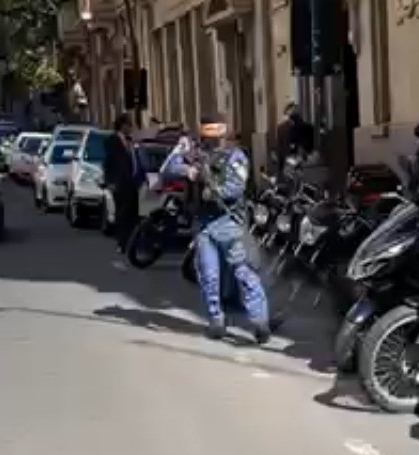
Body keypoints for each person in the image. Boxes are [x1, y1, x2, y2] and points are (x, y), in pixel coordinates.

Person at [162, 113, 270, 343]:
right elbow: (169, 167)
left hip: (228, 222)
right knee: (209, 275)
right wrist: (188, 171)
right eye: (206, 136)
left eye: (214, 136)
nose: (210, 142)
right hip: (203, 223)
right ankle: (216, 320)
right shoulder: (193, 151)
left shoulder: (235, 156)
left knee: (243, 272)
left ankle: (260, 322)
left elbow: (236, 188)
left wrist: (210, 186)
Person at [103, 112, 143, 253]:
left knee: (133, 214)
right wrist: (110, 182)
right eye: (128, 125)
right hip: (120, 183)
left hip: (132, 183)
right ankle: (122, 242)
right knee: (122, 214)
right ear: (122, 125)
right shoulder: (112, 140)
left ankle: (132, 243)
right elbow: (108, 163)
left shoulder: (131, 141)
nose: (130, 128)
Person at [274, 102, 314, 175]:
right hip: (300, 162)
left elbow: (280, 149)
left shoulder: (283, 128)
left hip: (293, 161)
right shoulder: (307, 128)